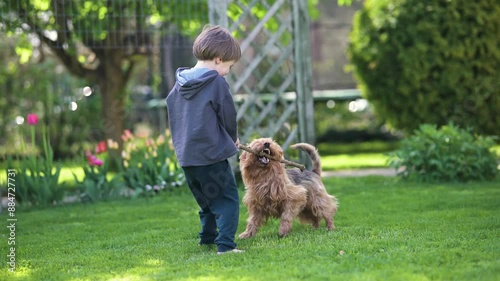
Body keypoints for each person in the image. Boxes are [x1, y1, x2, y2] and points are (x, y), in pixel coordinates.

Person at [166, 25, 243, 254]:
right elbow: (228, 114)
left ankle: (207, 238)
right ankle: (226, 246)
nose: (228, 72)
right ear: (219, 59)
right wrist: (233, 138)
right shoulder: (216, 83)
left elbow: (173, 111)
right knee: (227, 200)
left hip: (188, 158)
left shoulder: (179, 84)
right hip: (211, 155)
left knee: (207, 202)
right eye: (229, 66)